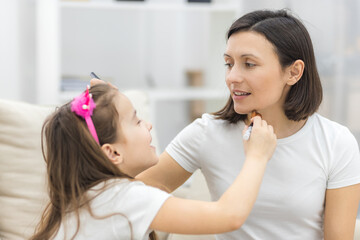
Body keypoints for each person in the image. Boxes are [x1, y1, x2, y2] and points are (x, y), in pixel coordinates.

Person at [136, 9, 360, 240]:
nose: (232, 77)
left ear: (294, 72)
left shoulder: (336, 142)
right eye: (229, 63)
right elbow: (125, 195)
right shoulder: (206, 133)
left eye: (249, 64)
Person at [30, 84, 276, 240]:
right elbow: (228, 216)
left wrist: (110, 104)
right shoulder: (126, 199)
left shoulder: (86, 199)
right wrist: (257, 156)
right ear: (112, 153)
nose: (148, 124)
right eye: (137, 121)